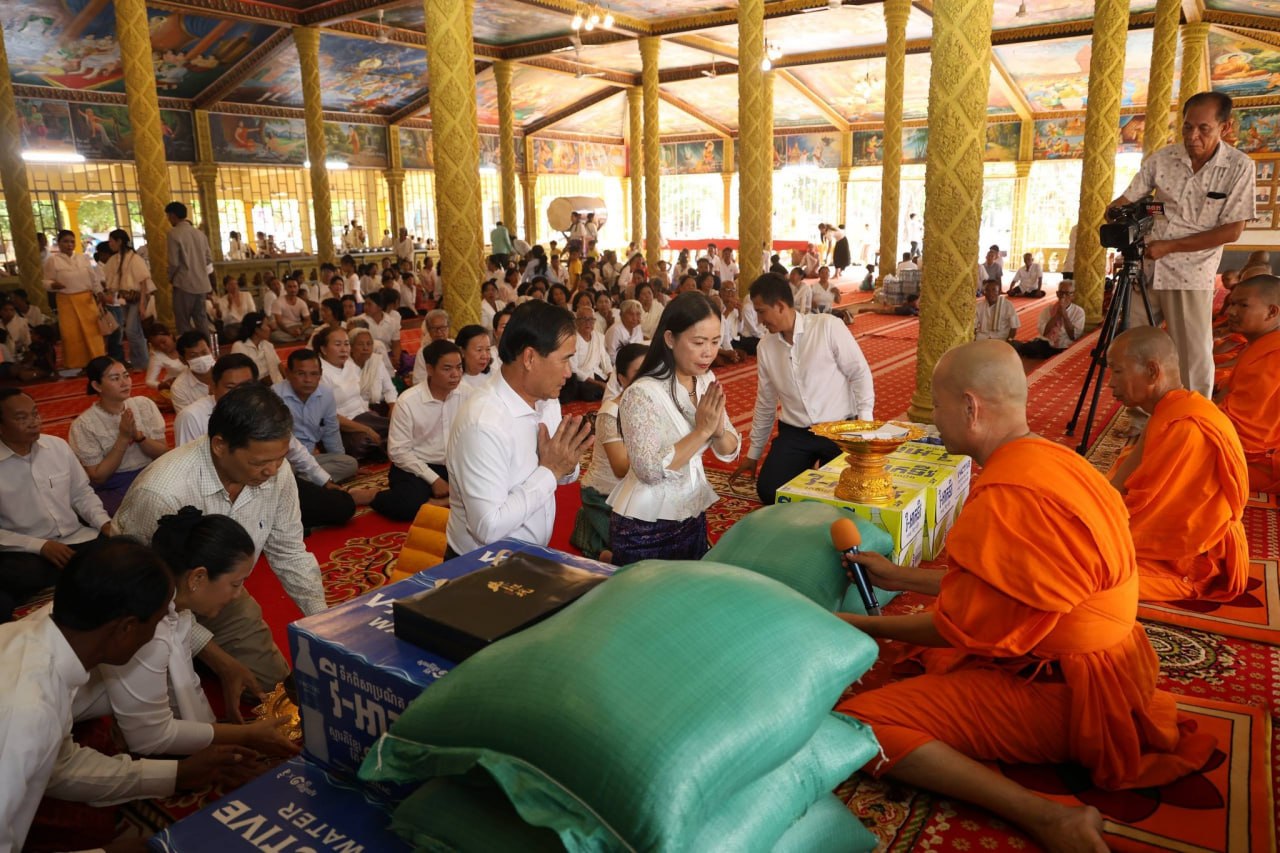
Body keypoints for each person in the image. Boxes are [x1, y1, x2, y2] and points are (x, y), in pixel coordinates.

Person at [834, 340, 1216, 852]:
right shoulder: (1055, 459)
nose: (930, 417)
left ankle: (1046, 817)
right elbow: (1013, 585)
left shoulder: (1007, 495)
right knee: (933, 655)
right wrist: (901, 578)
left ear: (970, 408)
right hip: (1122, 666)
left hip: (1077, 695)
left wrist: (864, 626)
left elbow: (959, 626)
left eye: (936, 405)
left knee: (859, 725)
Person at [0, 539, 258, 852]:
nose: (160, 634)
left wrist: (176, 775)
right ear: (126, 629)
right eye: (159, 621)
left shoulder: (35, 644)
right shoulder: (28, 711)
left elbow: (59, 765)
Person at [115, 384, 327, 697]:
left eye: (280, 458)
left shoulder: (276, 471)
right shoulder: (162, 493)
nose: (271, 471)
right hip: (152, 606)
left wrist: (323, 621)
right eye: (258, 463)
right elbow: (138, 591)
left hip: (221, 593)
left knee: (269, 689)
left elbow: (289, 551)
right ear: (219, 445)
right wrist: (216, 657)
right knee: (163, 699)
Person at [74, 509, 300, 760]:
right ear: (197, 578)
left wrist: (217, 734)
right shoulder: (144, 630)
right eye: (235, 584)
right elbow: (148, 738)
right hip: (47, 715)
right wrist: (243, 736)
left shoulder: (173, 604)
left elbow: (185, 691)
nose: (238, 595)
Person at [1110, 91, 1256, 398]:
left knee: (1192, 354)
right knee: (1135, 346)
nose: (1192, 136)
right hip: (1146, 267)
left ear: (1225, 127)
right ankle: (1141, 417)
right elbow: (1130, 198)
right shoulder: (1163, 159)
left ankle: (1193, 414)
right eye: (1187, 127)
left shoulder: (1238, 167)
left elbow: (1232, 231)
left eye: (1203, 129)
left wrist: (1170, 246)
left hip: (1191, 273)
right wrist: (1116, 212)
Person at [1104, 328, 1249, 602]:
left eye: (1117, 371)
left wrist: (1095, 533)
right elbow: (1120, 483)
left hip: (1187, 563)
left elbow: (1156, 521)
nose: (1110, 383)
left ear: (1152, 371)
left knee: (1078, 574)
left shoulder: (1185, 428)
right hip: (1160, 545)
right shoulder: (1170, 411)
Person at [444, 301, 593, 557]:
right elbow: (488, 527)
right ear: (530, 358)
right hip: (482, 566)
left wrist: (564, 465)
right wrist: (550, 470)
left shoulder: (548, 401)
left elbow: (562, 474)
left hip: (530, 556)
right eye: (565, 360)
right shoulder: (483, 423)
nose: (569, 372)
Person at [609, 292, 740, 564]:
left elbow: (730, 449)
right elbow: (648, 470)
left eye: (715, 341)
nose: (709, 352)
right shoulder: (642, 393)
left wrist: (716, 432)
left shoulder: (705, 380)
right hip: (647, 526)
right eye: (699, 342)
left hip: (692, 514)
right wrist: (701, 432)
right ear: (670, 339)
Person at [729, 274, 875, 504]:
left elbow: (859, 373)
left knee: (850, 493)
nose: (759, 320)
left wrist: (864, 430)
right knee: (770, 491)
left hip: (839, 431)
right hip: (796, 433)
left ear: (780, 306)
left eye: (761, 312)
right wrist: (753, 454)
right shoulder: (766, 346)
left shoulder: (827, 327)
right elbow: (766, 402)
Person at [183, 354, 364, 531]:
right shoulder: (192, 416)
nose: (239, 395)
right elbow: (191, 471)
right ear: (212, 386)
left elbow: (295, 449)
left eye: (247, 387)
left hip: (269, 482)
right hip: (227, 494)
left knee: (342, 507)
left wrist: (325, 481)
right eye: (230, 387)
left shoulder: (263, 408)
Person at [0, 389, 113, 623]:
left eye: (35, 414)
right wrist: (40, 546)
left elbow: (81, 493)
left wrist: (104, 523)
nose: (34, 422)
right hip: (26, 552)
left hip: (77, 538)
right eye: (22, 418)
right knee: (18, 575)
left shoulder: (57, 447)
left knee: (125, 548)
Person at [371, 340, 469, 522]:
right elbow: (398, 451)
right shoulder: (408, 401)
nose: (455, 374)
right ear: (430, 369)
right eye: (447, 369)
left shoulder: (468, 394)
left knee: (494, 485)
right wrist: (434, 479)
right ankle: (374, 496)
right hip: (418, 464)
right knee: (407, 505)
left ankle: (439, 502)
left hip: (455, 465)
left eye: (459, 367)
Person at [571, 343, 647, 562]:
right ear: (622, 379)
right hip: (605, 494)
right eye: (638, 372)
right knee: (635, 555)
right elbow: (621, 468)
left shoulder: (653, 405)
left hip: (637, 492)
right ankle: (593, 540)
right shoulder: (610, 413)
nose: (647, 378)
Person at [69, 356, 167, 514]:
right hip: (116, 486)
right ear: (97, 385)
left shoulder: (143, 405)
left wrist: (139, 437)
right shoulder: (84, 425)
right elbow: (98, 477)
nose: (124, 383)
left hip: (152, 474)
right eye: (115, 378)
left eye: (126, 375)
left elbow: (163, 452)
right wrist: (123, 438)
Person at [1215, 274, 1280, 493]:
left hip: (1260, 461)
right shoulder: (1261, 345)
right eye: (1232, 303)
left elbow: (1247, 436)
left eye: (1243, 305)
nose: (1231, 312)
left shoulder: (1271, 357)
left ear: (1272, 312)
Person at [273, 349, 359, 485]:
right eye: (301, 374)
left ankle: (301, 483)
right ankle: (305, 482)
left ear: (320, 374)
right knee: (284, 471)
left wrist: (340, 458)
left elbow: (331, 432)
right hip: (285, 459)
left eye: (314, 374)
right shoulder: (274, 395)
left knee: (349, 463)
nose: (308, 380)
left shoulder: (326, 394)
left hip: (312, 458)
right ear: (288, 373)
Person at [316, 327, 392, 460]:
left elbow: (359, 397)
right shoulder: (319, 373)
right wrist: (366, 429)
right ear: (323, 349)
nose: (344, 349)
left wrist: (370, 416)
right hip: (341, 427)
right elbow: (330, 417)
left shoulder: (350, 365)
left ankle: (387, 444)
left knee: (396, 426)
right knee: (363, 441)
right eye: (338, 344)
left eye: (346, 344)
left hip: (363, 418)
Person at [43, 229, 104, 371]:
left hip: (86, 300)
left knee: (92, 331)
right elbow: (45, 281)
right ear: (59, 243)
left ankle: (97, 360)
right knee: (71, 334)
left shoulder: (83, 258)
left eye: (72, 241)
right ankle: (77, 365)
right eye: (65, 241)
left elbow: (94, 280)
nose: (69, 244)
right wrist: (53, 285)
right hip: (66, 301)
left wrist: (100, 293)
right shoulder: (53, 260)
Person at [101, 229, 153, 371]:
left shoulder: (134, 258)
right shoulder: (114, 259)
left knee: (131, 330)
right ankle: (140, 362)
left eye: (112, 241)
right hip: (124, 298)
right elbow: (109, 280)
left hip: (136, 297)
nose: (110, 244)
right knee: (133, 331)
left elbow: (143, 282)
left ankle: (142, 362)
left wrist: (142, 304)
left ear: (119, 241)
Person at [165, 202, 213, 336]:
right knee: (201, 320)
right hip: (202, 284)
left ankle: (188, 348)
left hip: (184, 284)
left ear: (173, 216)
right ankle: (205, 347)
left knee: (183, 322)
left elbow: (174, 262)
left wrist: (170, 277)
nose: (168, 220)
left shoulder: (173, 234)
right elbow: (208, 259)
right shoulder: (200, 234)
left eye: (168, 216)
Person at [1012, 284, 1085, 359]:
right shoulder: (1049, 309)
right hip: (1047, 343)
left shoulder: (1078, 312)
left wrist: (1065, 315)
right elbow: (1044, 332)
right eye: (1061, 293)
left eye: (1067, 293)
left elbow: (1073, 336)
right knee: (1030, 348)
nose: (1063, 296)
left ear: (1073, 296)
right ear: (1057, 294)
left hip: (1066, 345)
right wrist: (1057, 315)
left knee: (1070, 355)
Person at [564, 302, 610, 403]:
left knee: (614, 385)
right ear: (576, 321)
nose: (588, 323)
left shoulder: (599, 337)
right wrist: (599, 384)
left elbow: (605, 358)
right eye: (584, 319)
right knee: (589, 392)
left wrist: (610, 375)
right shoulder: (573, 340)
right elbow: (574, 369)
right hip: (582, 378)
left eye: (591, 319)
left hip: (597, 373)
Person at [231, 312, 284, 386]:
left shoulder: (268, 345)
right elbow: (239, 373)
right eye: (267, 325)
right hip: (254, 388)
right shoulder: (239, 346)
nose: (270, 328)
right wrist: (261, 382)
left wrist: (288, 380)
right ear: (257, 330)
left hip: (276, 384)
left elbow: (279, 364)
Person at [170, 331, 216, 414]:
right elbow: (187, 418)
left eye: (204, 352)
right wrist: (209, 400)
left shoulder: (228, 371)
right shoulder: (179, 388)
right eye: (193, 355)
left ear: (210, 350)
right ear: (183, 360)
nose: (201, 358)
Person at [269, 278, 314, 345]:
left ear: (298, 288)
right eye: (290, 287)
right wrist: (290, 332)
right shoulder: (277, 302)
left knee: (315, 331)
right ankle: (301, 338)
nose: (293, 290)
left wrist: (301, 329)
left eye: (295, 287)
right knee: (274, 336)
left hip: (298, 327)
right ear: (285, 288)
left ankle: (297, 337)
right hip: (284, 329)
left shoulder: (302, 302)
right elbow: (279, 322)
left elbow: (308, 320)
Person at [213, 275, 253, 341]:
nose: (234, 286)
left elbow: (252, 311)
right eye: (231, 284)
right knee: (232, 333)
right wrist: (230, 304)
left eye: (235, 284)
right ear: (226, 287)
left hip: (246, 324)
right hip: (232, 326)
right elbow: (225, 320)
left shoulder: (247, 295)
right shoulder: (221, 301)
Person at [455, 324, 493, 391]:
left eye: (488, 349)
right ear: (462, 351)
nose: (485, 356)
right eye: (479, 350)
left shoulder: (494, 376)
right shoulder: (454, 382)